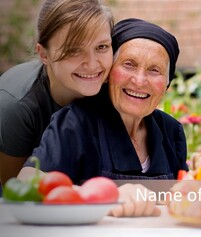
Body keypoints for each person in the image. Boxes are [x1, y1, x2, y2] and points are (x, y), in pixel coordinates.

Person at [19, 18, 188, 182]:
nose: (139, 81)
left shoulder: (171, 131)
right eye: (129, 64)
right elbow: (27, 180)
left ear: (166, 84)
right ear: (108, 73)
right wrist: (106, 196)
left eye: (154, 70)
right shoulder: (76, 122)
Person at [0, 0, 114, 186]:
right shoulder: (16, 105)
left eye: (101, 47)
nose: (93, 64)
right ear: (44, 54)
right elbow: (16, 191)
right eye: (73, 50)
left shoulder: (115, 89)